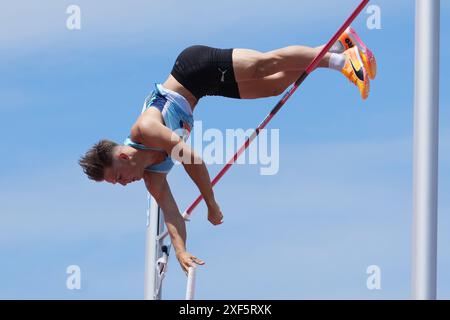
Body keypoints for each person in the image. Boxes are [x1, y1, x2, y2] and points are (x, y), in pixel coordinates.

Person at [79, 27, 377, 274]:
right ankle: (338, 45)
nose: (122, 184)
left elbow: (191, 158)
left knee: (264, 64)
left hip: (193, 68)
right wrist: (181, 250)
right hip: (201, 90)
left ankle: (343, 62)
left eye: (117, 178)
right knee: (274, 86)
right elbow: (171, 214)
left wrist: (211, 202)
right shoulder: (151, 177)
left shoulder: (144, 129)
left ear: (121, 156)